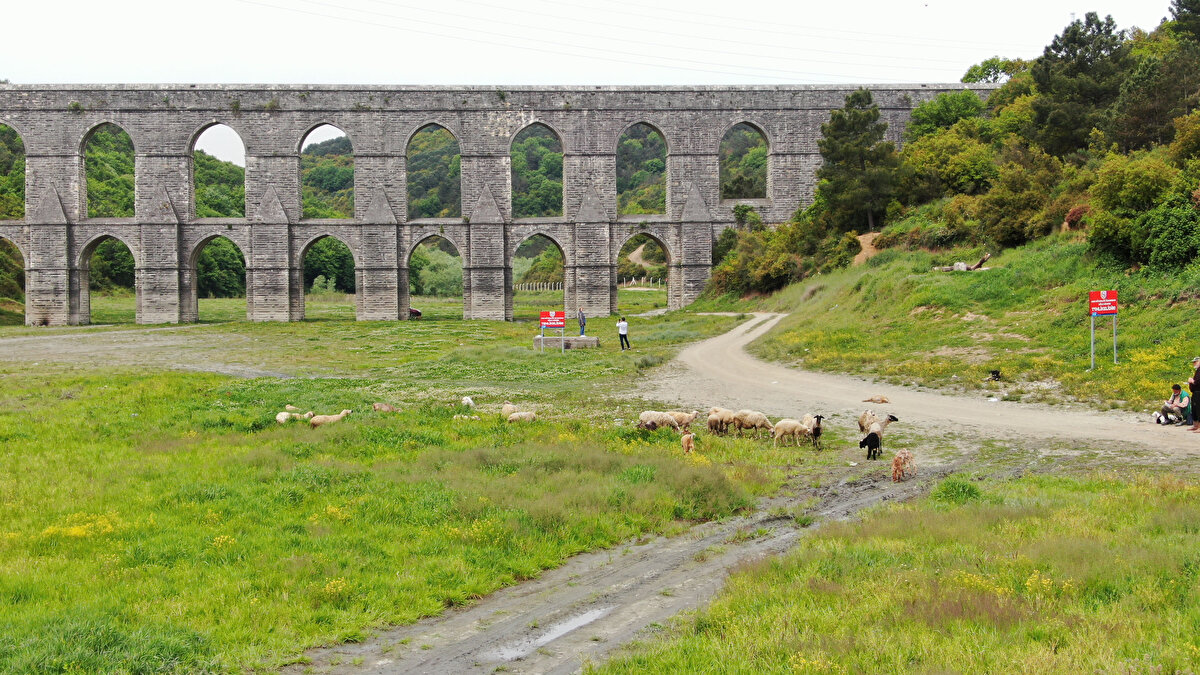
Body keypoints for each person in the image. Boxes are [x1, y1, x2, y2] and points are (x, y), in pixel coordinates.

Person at [1190, 356, 1200, 432]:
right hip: (1195, 392)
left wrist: (1192, 381)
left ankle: (1199, 427)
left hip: (1199, 392)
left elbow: (1197, 382)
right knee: (1194, 409)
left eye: (1195, 362)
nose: (1194, 363)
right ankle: (1195, 425)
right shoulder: (1197, 370)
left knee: (1198, 409)